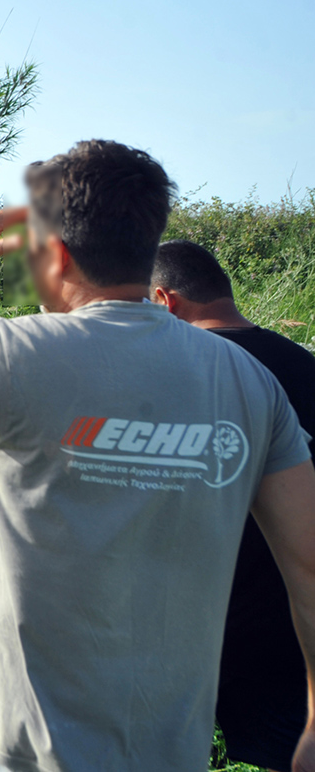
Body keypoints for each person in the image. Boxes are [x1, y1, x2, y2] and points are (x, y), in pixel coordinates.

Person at [0, 140, 315, 772]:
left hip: (32, 744)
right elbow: (308, 565)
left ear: (54, 254)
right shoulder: (249, 381)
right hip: (172, 747)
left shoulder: (6, 354)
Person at [152, 239, 315, 771]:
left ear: (164, 300)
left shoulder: (172, 374)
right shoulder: (305, 368)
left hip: (185, 625)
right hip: (289, 623)